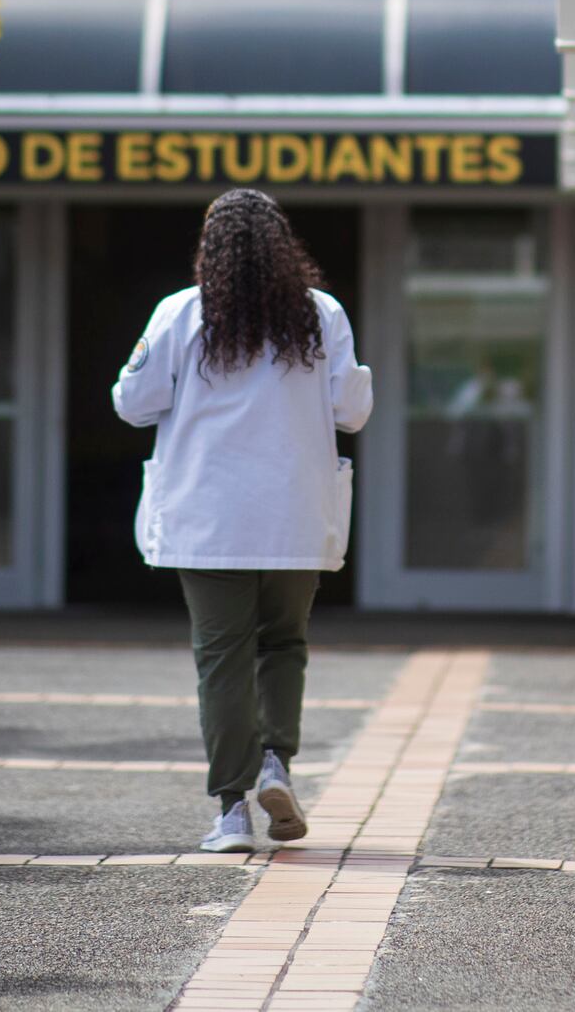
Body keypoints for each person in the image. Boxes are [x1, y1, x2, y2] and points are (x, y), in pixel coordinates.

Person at [114, 190, 373, 854]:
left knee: (221, 656)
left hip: (208, 516)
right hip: (294, 512)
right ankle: (274, 762)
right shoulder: (321, 314)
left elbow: (132, 403)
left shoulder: (181, 311)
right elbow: (353, 410)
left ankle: (232, 810)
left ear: (213, 247)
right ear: (283, 244)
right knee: (283, 641)